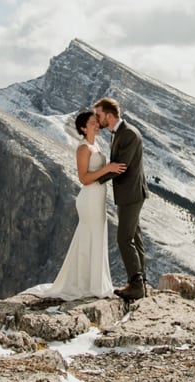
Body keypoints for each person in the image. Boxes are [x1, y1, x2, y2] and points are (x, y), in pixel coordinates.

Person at [28, 110, 126, 299]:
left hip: (98, 197)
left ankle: (93, 283)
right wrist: (107, 168)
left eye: (96, 122)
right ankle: (84, 285)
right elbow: (84, 178)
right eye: (91, 123)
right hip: (89, 198)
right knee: (89, 237)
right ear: (83, 128)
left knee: (96, 237)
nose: (96, 125)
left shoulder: (95, 145)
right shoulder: (83, 148)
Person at [93, 97, 149, 300]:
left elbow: (120, 167)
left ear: (109, 115)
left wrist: (94, 179)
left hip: (131, 193)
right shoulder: (118, 133)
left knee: (124, 238)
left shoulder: (129, 134)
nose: (97, 119)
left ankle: (136, 285)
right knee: (135, 237)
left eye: (99, 115)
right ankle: (141, 283)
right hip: (129, 193)